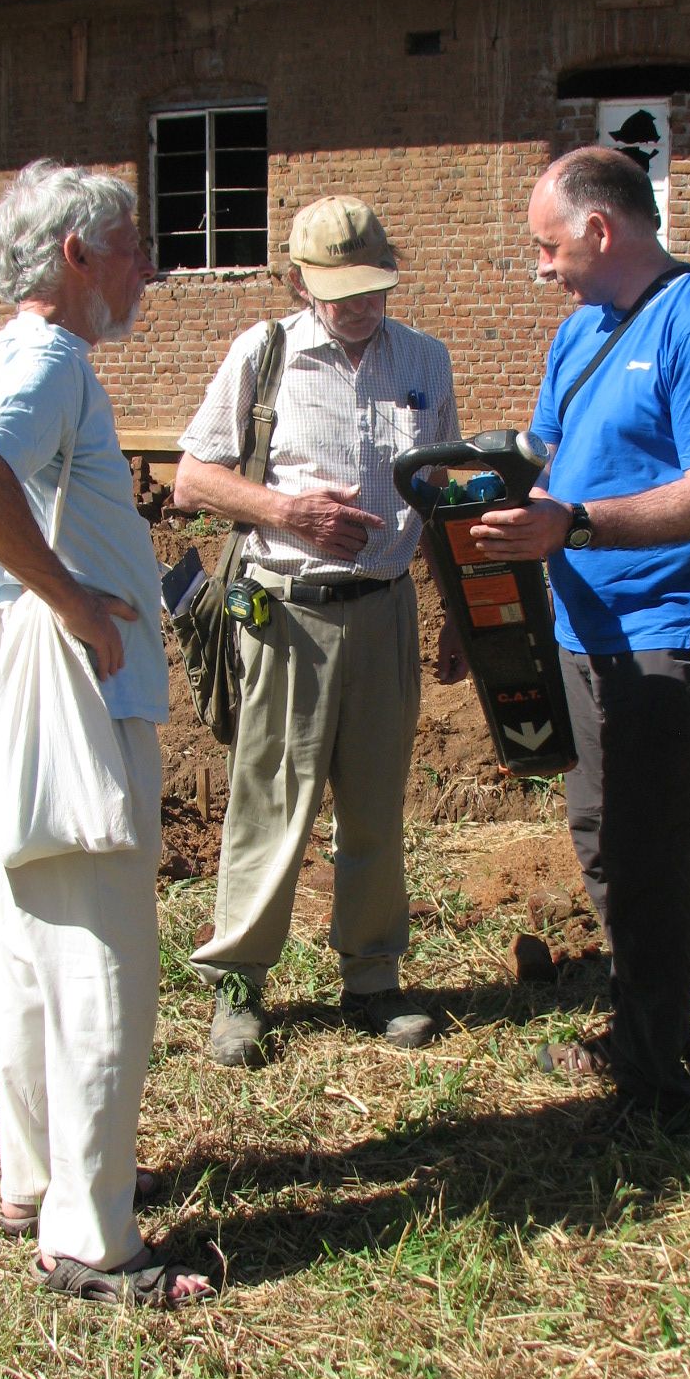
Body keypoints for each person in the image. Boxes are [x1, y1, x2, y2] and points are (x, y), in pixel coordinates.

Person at [0, 160, 213, 1306]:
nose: (148, 266)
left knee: (35, 949)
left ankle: (38, 1178)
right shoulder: (50, 357)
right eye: (135, 245)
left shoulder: (11, 352)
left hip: (27, 702)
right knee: (102, 965)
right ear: (77, 256)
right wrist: (75, 600)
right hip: (75, 696)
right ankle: (93, 1242)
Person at [472, 147, 690, 1121]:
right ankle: (645, 1021)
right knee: (601, 835)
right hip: (582, 623)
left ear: (601, 230)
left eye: (548, 245)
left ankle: (655, 1077)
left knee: (653, 847)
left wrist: (580, 524)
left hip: (667, 629)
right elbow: (551, 455)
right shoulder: (581, 331)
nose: (543, 264)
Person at [174, 194, 465, 1067]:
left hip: (384, 612)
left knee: (375, 806)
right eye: (339, 290)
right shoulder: (263, 356)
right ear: (297, 281)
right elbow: (191, 478)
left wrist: (457, 610)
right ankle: (240, 985)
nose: (359, 304)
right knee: (270, 805)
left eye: (373, 286)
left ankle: (373, 980)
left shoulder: (423, 360)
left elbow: (444, 491)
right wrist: (285, 511)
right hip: (287, 618)